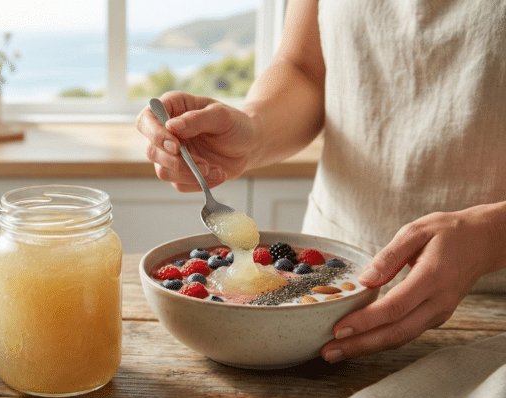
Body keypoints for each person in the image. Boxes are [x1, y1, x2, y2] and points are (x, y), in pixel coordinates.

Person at [136, 0, 506, 363]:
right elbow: (304, 68)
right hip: (323, 283)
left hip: (492, 300)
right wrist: (254, 130)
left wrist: (492, 235)